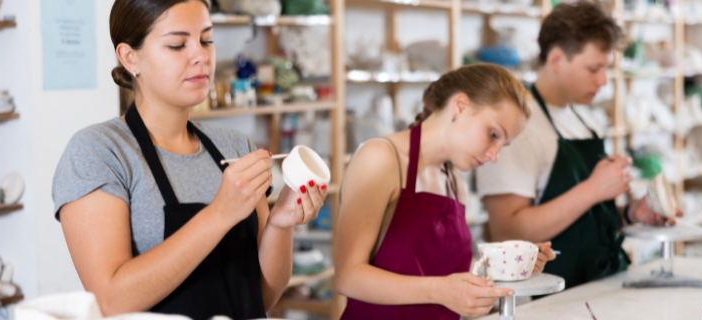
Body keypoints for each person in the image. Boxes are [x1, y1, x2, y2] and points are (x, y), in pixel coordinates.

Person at [51, 1, 327, 319]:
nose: (201, 56)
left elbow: (262, 297)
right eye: (177, 44)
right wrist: (220, 214)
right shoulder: (99, 151)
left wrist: (280, 223)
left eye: (206, 40)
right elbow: (110, 301)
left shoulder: (234, 146)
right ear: (130, 57)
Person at [476, 2, 683, 290]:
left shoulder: (582, 121)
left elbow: (584, 226)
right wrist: (592, 190)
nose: (603, 80)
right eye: (594, 68)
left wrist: (629, 214)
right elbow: (506, 231)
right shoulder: (516, 127)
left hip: (601, 285)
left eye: (606, 68)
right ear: (557, 59)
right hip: (550, 300)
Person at [334, 63, 557, 319]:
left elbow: (441, 276)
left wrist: (512, 265)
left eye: (503, 146)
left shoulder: (455, 185)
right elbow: (348, 277)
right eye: (493, 134)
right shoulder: (381, 159)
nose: (494, 156)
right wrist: (441, 291)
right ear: (460, 106)